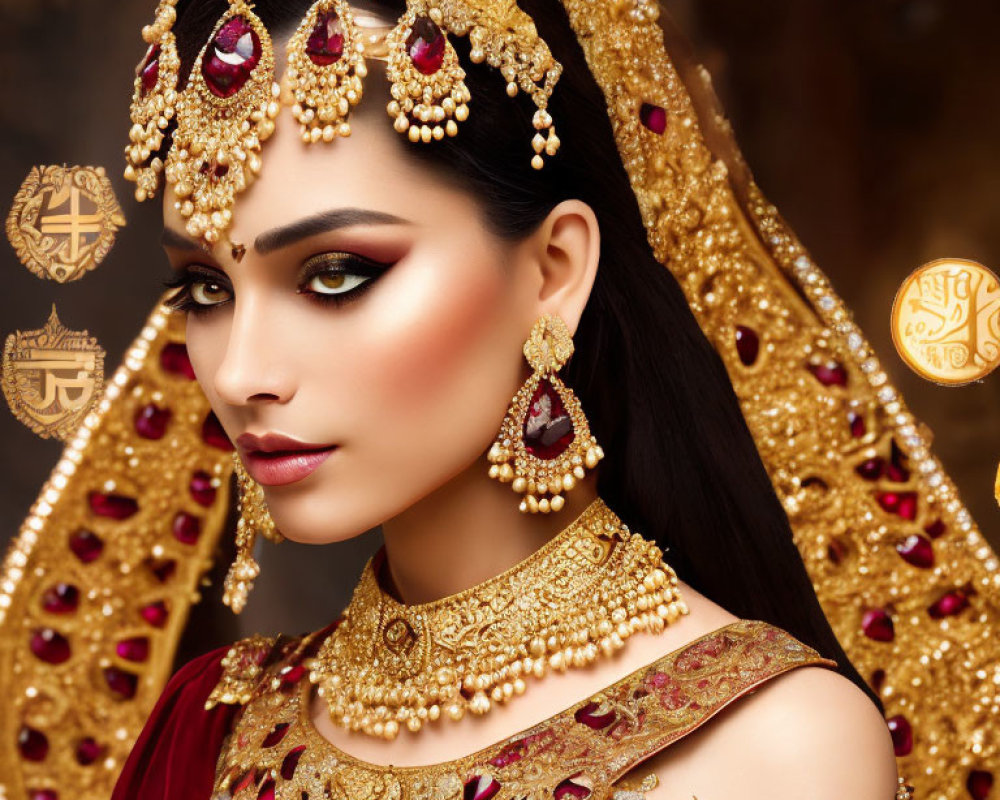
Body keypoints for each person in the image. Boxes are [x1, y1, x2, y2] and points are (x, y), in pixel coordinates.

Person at [108, 0, 909, 797]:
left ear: (552, 272)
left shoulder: (774, 749)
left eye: (336, 275)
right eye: (206, 288)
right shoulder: (213, 726)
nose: (242, 373)